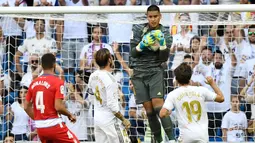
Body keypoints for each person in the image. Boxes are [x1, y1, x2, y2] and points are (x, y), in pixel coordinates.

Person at [129, 4, 174, 143]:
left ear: (160, 17)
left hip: (155, 72)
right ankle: (159, 140)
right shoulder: (138, 29)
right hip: (139, 74)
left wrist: (161, 45)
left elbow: (163, 58)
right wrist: (141, 45)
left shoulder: (165, 33)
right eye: (150, 17)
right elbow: (132, 54)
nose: (153, 19)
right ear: (147, 17)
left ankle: (172, 139)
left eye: (155, 16)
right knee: (149, 111)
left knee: (158, 106)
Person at [160, 63, 224, 143]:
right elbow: (221, 98)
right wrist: (212, 83)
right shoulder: (201, 90)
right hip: (202, 136)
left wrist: (168, 112)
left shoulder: (173, 94)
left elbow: (162, 114)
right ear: (190, 76)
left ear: (176, 79)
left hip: (186, 137)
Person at [24, 53, 79, 143]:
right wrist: (70, 115)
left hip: (40, 128)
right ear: (54, 65)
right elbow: (58, 107)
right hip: (54, 125)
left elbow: (26, 107)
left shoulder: (33, 83)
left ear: (41, 65)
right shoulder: (57, 82)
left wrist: (39, 119)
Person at [88, 48, 131, 143]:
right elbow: (113, 106)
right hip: (110, 121)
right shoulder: (111, 79)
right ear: (109, 60)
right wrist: (124, 119)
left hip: (98, 119)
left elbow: (91, 97)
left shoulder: (92, 76)